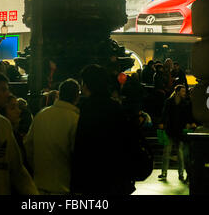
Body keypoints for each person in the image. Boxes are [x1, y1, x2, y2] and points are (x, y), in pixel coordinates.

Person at [71, 65, 136, 195]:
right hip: (115, 176)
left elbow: (80, 145)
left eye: (83, 83)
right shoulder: (115, 108)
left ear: (88, 85)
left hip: (91, 176)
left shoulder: (84, 109)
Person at [24, 78, 80, 195]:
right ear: (76, 97)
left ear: (60, 94)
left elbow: (28, 146)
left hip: (39, 185)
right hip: (64, 186)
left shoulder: (41, 115)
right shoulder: (75, 119)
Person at [158, 84, 195, 182]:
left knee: (178, 153)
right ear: (177, 92)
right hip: (171, 130)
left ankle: (180, 174)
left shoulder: (183, 103)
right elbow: (164, 113)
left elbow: (187, 116)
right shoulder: (169, 102)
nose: (184, 93)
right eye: (182, 91)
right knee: (170, 152)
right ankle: (165, 173)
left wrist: (190, 123)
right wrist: (162, 122)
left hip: (178, 131)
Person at [0, 94, 32, 175]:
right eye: (13, 108)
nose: (19, 111)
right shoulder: (7, 136)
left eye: (18, 107)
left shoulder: (14, 134)